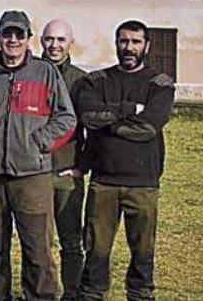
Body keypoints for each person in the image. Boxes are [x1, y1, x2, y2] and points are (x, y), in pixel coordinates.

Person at [0, 10, 76, 301]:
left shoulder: (45, 72)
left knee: (37, 250)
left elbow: (66, 118)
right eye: (7, 34)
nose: (13, 40)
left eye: (19, 34)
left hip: (33, 178)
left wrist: (39, 142)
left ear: (28, 38)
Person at [74, 20, 175, 301]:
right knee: (95, 251)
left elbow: (148, 128)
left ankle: (141, 295)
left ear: (147, 45)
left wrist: (107, 124)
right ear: (116, 43)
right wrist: (129, 110)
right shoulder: (96, 81)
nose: (129, 47)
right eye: (123, 41)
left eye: (135, 41)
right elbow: (88, 117)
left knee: (143, 252)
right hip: (103, 182)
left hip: (143, 184)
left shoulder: (160, 84)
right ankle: (92, 295)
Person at [39, 18, 88, 300]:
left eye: (60, 40)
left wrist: (83, 166)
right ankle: (43, 293)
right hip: (36, 171)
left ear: (71, 42)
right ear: (41, 41)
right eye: (49, 39)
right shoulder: (31, 72)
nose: (54, 45)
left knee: (71, 240)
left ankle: (72, 293)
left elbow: (90, 128)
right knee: (39, 242)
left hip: (67, 171)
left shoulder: (81, 80)